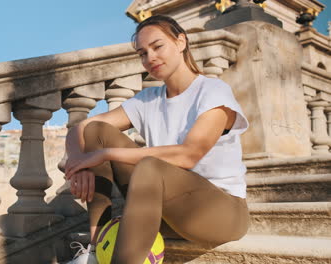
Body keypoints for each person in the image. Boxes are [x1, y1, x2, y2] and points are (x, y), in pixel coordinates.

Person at [65, 15, 250, 264]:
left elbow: (189, 154)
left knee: (150, 166)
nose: (150, 58)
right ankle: (97, 249)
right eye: (142, 53)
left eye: (157, 46)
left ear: (181, 42)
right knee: (97, 131)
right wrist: (79, 163)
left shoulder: (213, 91)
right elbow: (81, 128)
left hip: (220, 214)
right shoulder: (148, 99)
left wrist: (105, 154)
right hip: (166, 212)